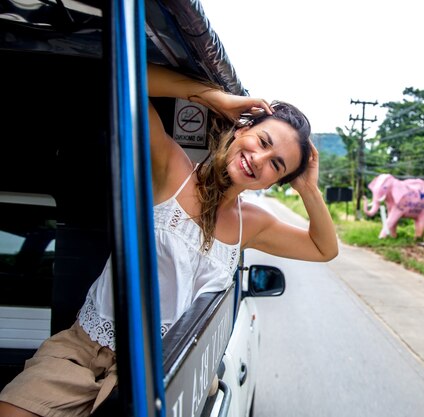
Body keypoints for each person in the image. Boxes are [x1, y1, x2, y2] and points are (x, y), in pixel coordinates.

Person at [0, 63, 338, 417]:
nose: (260, 159)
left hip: (163, 377)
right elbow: (122, 76)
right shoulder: (172, 168)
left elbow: (324, 248)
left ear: (271, 183)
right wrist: (215, 97)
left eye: (277, 165)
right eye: (263, 141)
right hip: (84, 350)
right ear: (242, 129)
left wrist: (308, 189)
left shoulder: (251, 224)